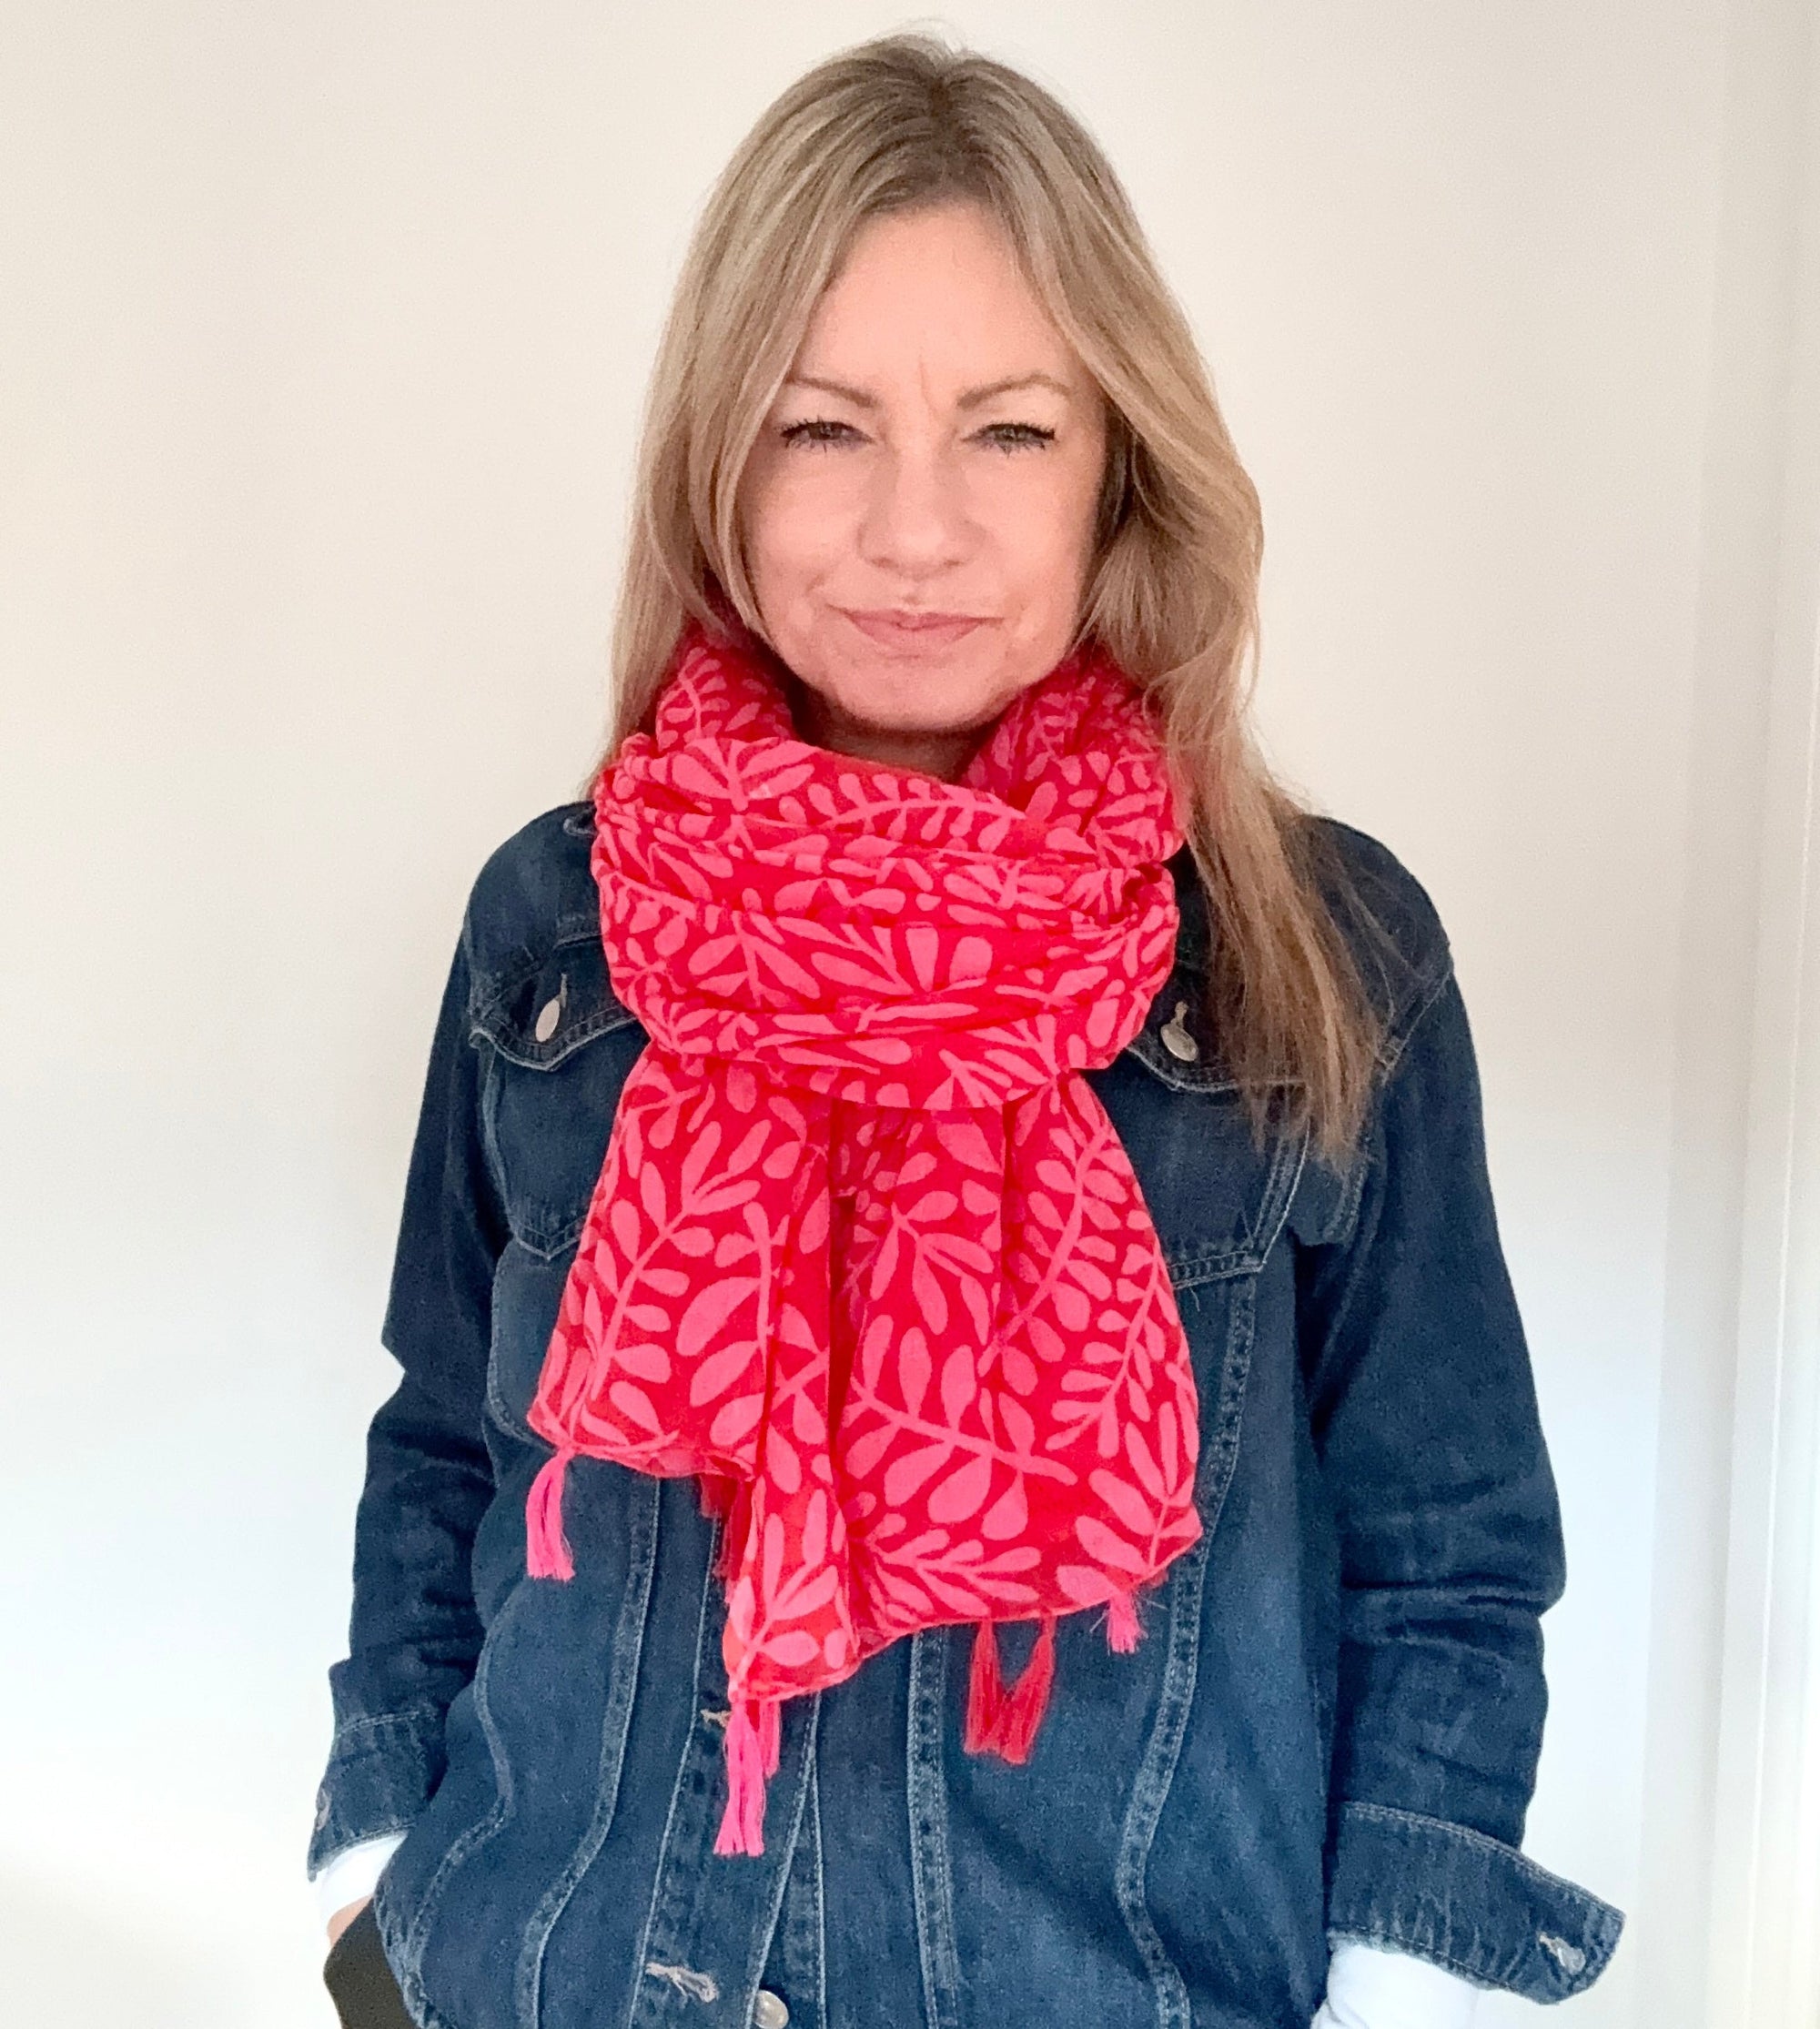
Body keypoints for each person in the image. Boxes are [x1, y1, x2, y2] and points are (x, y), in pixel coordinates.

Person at [308, 32, 1624, 2029]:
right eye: (822, 428)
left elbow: (1444, 1553)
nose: (912, 531)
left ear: (1118, 462)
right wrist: (372, 1864)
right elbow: (441, 1437)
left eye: (1006, 430)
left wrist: (1394, 1986)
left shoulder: (1320, 954)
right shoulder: (560, 923)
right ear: (715, 461)